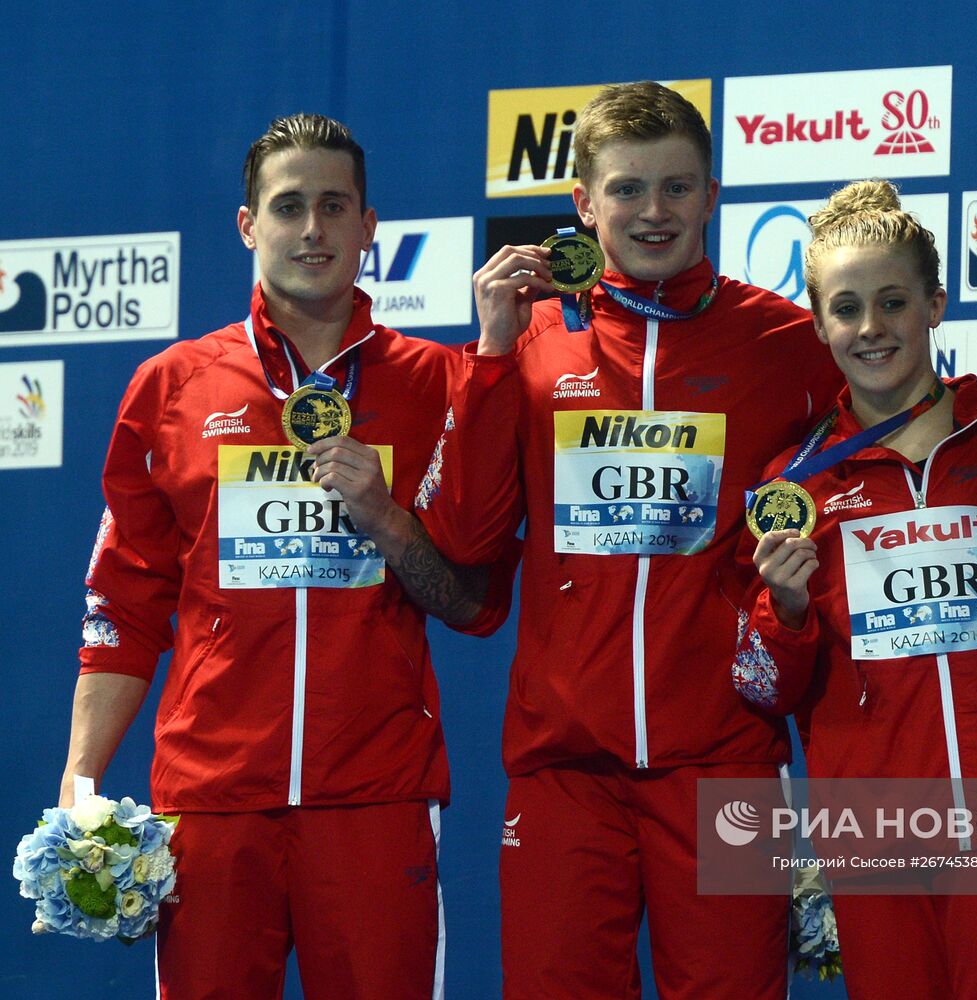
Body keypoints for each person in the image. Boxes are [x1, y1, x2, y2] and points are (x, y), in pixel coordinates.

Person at [60, 113, 509, 999]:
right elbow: (124, 604)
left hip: (375, 796)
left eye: (334, 206)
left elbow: (471, 602)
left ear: (369, 226)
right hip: (212, 797)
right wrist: (80, 776)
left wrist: (383, 517)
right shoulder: (172, 386)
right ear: (247, 224)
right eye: (290, 205)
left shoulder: (435, 385)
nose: (313, 230)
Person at [415, 81, 844, 999]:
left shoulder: (788, 342)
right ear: (582, 203)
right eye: (626, 190)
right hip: (565, 767)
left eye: (677, 188)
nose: (653, 213)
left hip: (727, 758)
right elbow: (464, 532)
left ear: (713, 195)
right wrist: (488, 359)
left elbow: (880, 457)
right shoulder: (523, 341)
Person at [731, 180, 977, 999]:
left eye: (892, 302)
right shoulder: (793, 485)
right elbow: (760, 686)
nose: (870, 329)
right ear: (817, 319)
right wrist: (784, 610)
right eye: (847, 307)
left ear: (935, 302)